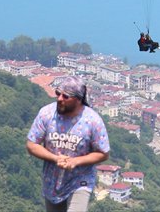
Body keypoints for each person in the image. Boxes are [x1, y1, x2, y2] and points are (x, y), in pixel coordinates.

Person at [27, 76, 110, 212]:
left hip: (80, 180)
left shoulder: (92, 121)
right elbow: (32, 144)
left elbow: (103, 153)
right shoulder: (46, 114)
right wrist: (55, 158)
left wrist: (76, 161)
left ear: (78, 99)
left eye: (66, 96)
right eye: (58, 93)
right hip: (52, 181)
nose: (60, 99)